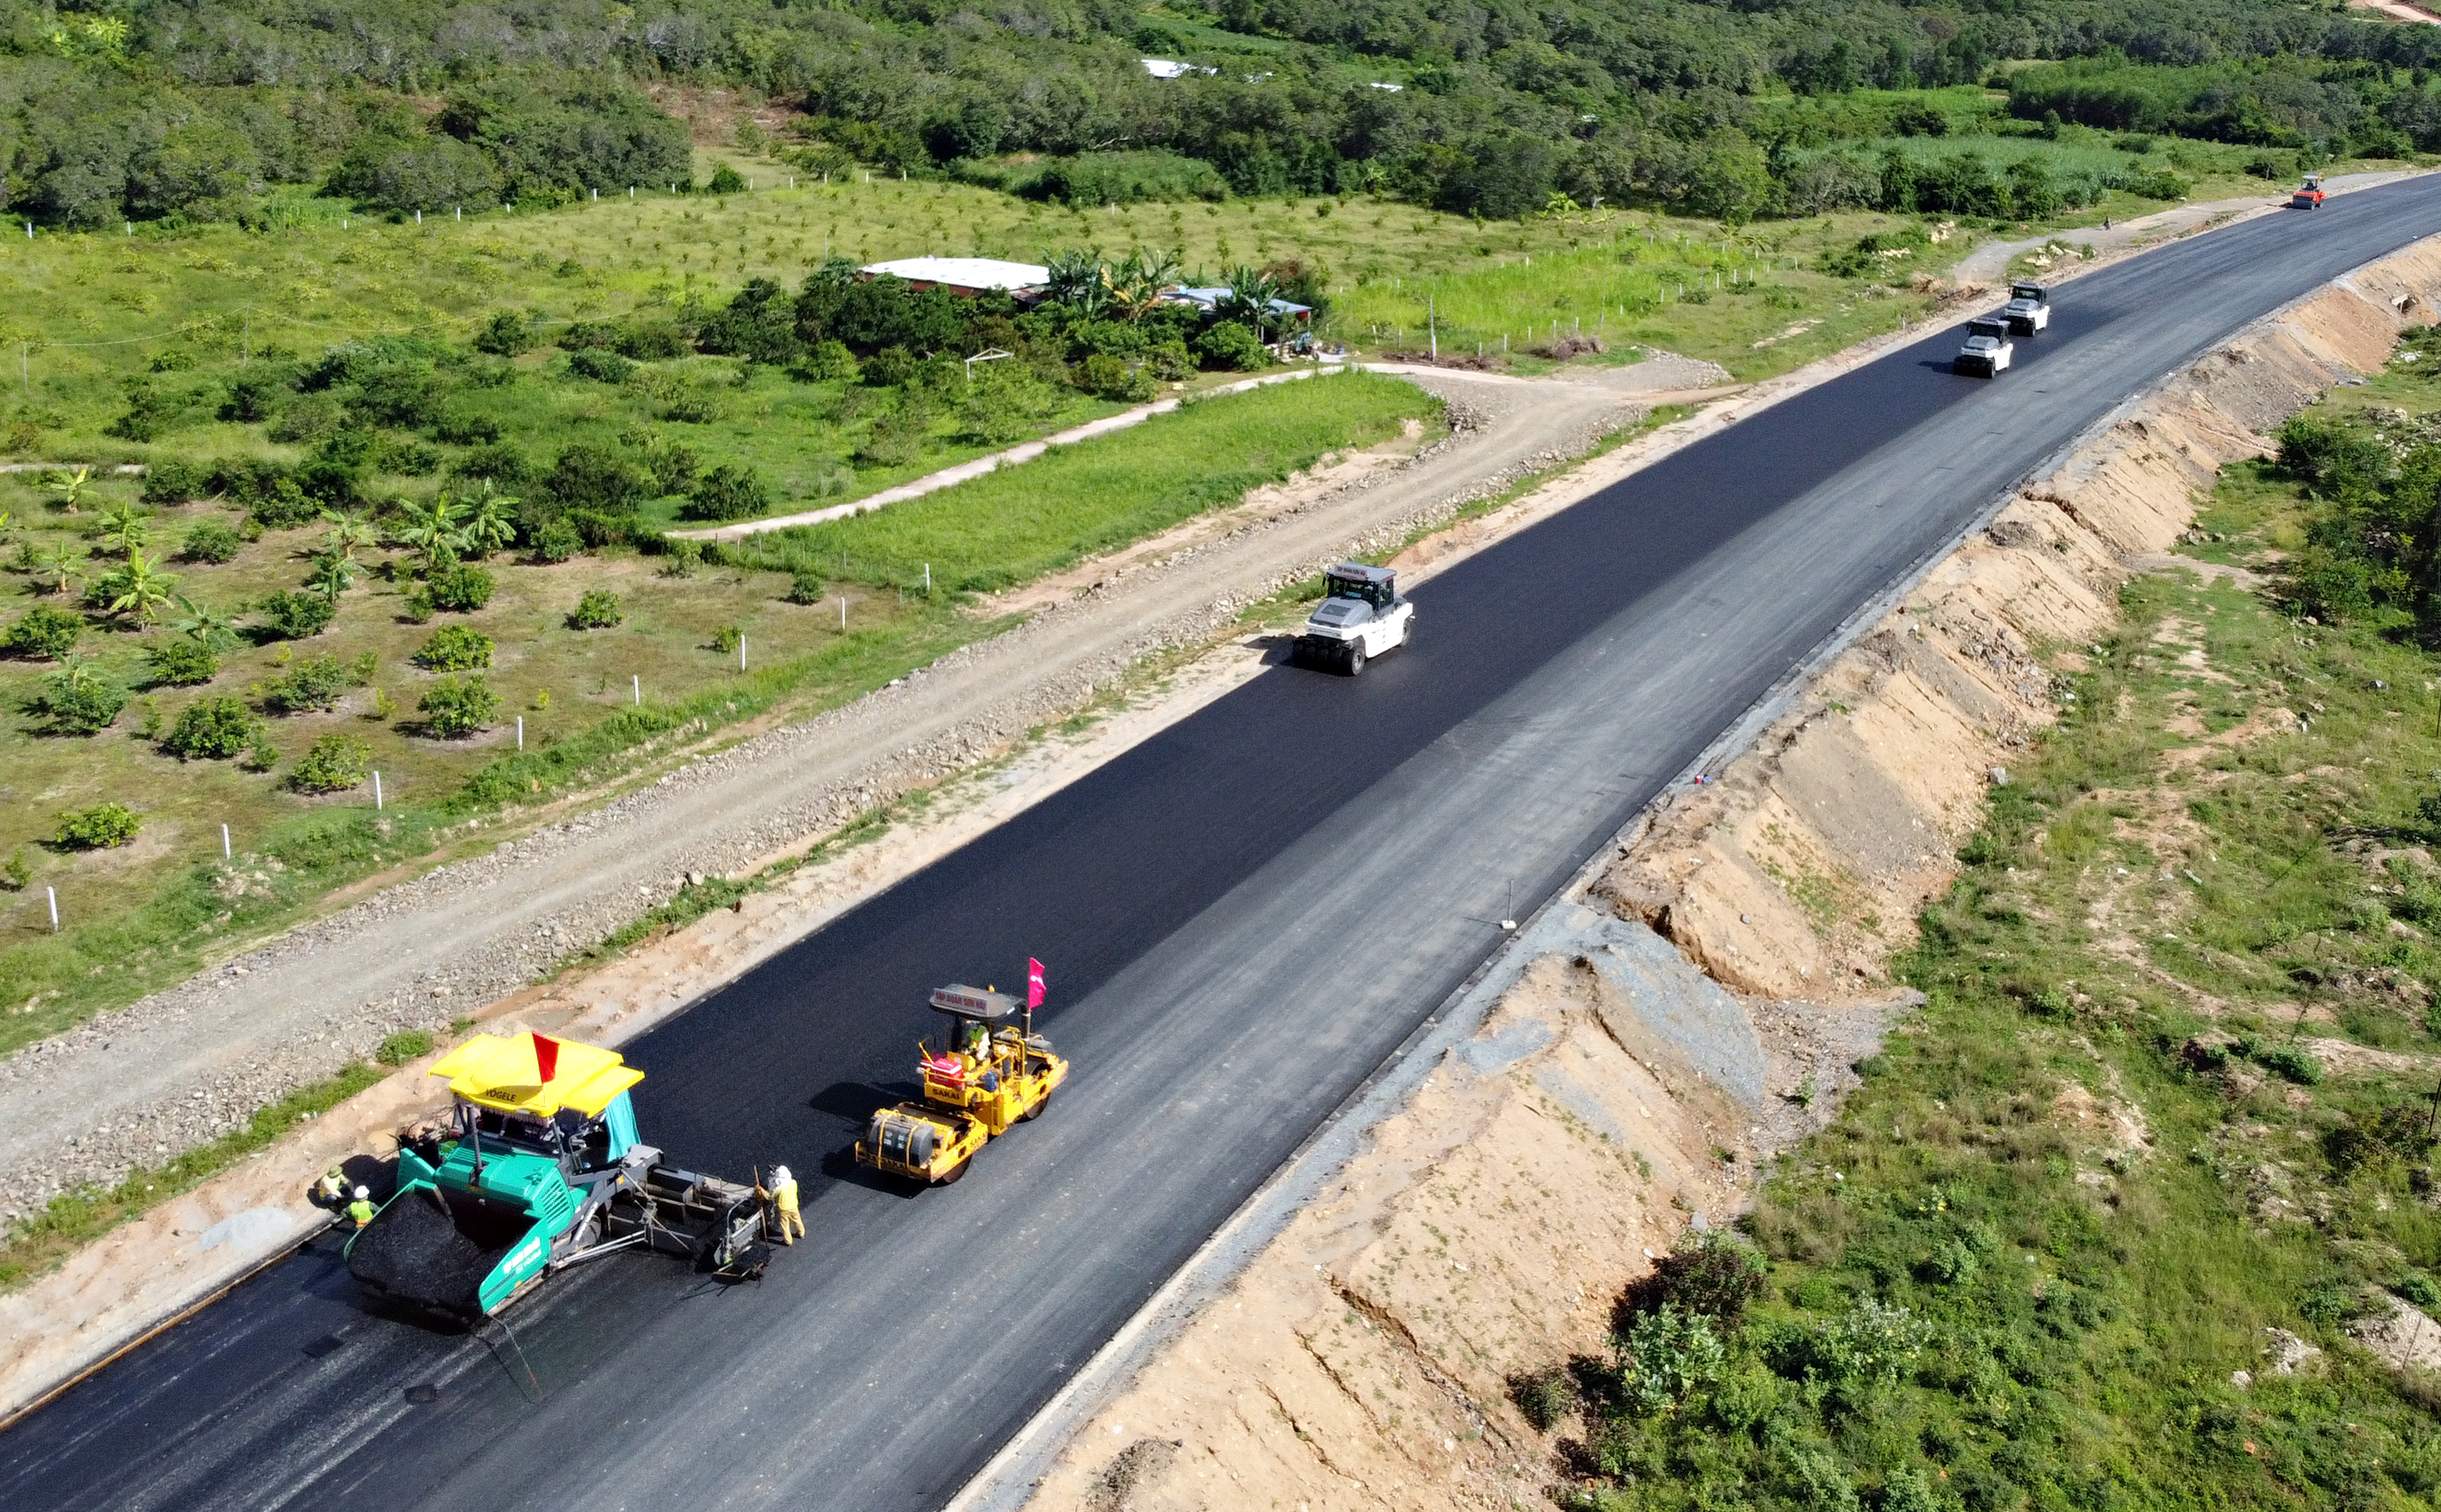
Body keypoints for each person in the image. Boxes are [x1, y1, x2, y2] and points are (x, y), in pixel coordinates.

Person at [761, 1166, 803, 1245]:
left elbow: (769, 1196)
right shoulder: (794, 1182)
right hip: (794, 1206)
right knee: (797, 1220)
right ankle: (801, 1233)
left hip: (784, 1209)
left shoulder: (779, 1189)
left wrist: (761, 1190)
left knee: (785, 1225)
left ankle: (788, 1241)